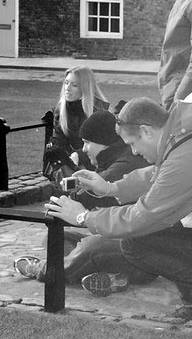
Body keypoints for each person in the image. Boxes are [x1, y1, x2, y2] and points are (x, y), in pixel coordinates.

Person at [46, 96, 192, 328]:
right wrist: (110, 188)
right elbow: (158, 175)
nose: (134, 152)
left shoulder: (187, 154)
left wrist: (83, 217)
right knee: (163, 231)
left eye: (132, 144)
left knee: (136, 243)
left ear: (147, 131)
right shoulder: (191, 134)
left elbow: (144, 216)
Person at [14, 110, 150, 291]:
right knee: (56, 238)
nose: (84, 148)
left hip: (139, 247)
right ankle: (112, 277)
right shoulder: (116, 158)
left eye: (87, 143)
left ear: (104, 142)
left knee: (91, 246)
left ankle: (42, 269)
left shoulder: (126, 163)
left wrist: (61, 170)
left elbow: (85, 195)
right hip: (121, 236)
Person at [43, 66, 109, 183]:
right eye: (66, 83)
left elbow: (103, 145)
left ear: (85, 88)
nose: (67, 88)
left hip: (96, 163)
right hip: (71, 163)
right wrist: (55, 148)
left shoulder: (99, 111)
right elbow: (59, 136)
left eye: (74, 85)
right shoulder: (62, 109)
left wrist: (78, 155)